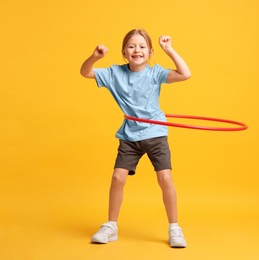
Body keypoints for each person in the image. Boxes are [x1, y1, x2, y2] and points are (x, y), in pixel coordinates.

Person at [80, 29, 191, 248]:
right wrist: (95, 57)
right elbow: (85, 73)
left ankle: (174, 228)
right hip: (129, 135)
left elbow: (185, 74)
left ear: (150, 52)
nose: (136, 50)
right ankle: (111, 226)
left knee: (165, 178)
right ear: (124, 52)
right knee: (117, 178)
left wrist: (168, 49)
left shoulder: (155, 73)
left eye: (141, 46)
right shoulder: (114, 73)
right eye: (131, 46)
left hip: (156, 134)